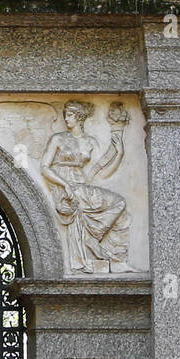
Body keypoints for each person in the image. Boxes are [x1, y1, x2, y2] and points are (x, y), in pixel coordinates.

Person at [40, 100, 131, 271]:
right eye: (65, 115)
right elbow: (44, 167)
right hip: (64, 188)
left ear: (80, 118)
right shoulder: (58, 139)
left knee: (119, 202)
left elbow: (100, 172)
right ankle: (91, 244)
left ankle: (94, 236)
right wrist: (64, 184)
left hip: (82, 186)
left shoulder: (90, 142)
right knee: (85, 201)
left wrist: (119, 153)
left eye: (69, 115)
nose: (66, 119)